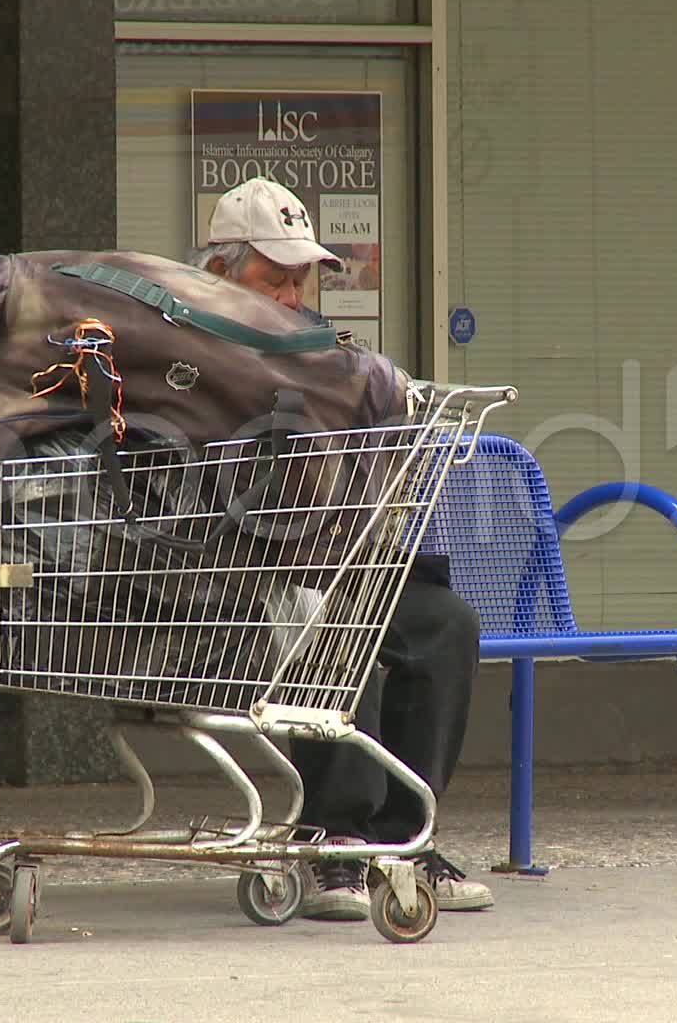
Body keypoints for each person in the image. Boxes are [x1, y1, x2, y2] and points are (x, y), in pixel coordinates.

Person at [192, 177, 494, 920]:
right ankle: (333, 836)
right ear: (221, 274)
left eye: (301, 278)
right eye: (274, 277)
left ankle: (403, 839)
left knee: (443, 624)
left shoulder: (320, 353)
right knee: (326, 622)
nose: (292, 294)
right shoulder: (184, 349)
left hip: (324, 553)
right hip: (223, 575)